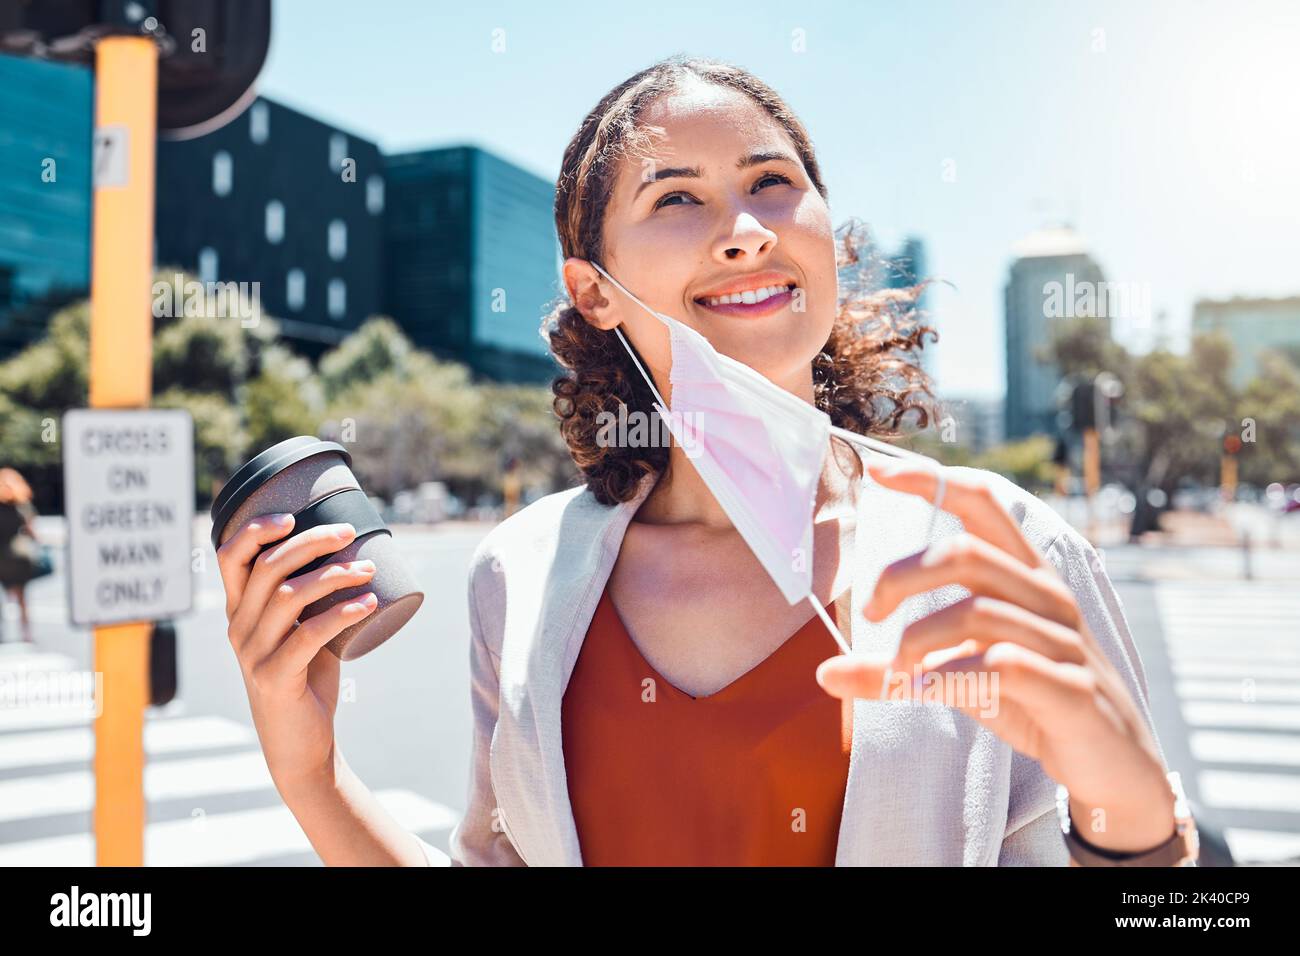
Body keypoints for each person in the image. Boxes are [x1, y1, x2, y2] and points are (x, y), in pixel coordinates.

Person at [215, 55, 1191, 866]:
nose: (747, 231)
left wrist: (1137, 819)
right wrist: (312, 774)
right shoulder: (518, 574)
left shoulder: (1004, 545)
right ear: (593, 291)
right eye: (677, 196)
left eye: (772, 183)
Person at [0, 468, 41, 644]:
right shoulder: (22, 506)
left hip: (2, 556)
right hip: (18, 557)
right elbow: (32, 531)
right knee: (22, 598)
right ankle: (26, 633)